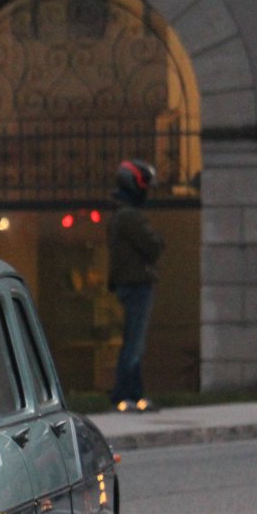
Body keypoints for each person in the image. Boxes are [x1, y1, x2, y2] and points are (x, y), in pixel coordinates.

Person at [107, 159, 165, 412]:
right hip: (136, 284)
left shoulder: (120, 214)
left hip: (129, 283)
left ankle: (134, 394)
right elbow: (153, 245)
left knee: (134, 342)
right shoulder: (129, 216)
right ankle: (126, 395)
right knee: (134, 343)